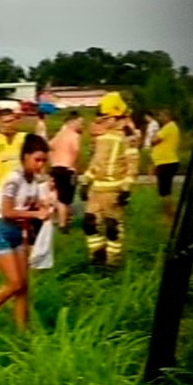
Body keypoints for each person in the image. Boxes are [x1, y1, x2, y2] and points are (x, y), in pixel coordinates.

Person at [0, 134, 52, 333]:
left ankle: (22, 332)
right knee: (15, 283)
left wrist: (42, 205)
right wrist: (36, 213)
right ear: (25, 157)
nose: (40, 165)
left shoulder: (34, 181)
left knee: (24, 287)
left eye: (44, 161)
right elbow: (8, 211)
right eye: (37, 160)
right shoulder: (13, 179)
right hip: (1, 232)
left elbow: (28, 204)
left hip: (20, 234)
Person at [79, 93, 140, 267]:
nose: (101, 122)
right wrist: (85, 181)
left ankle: (112, 263)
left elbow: (132, 166)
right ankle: (97, 256)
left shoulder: (128, 139)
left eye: (104, 119)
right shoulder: (102, 138)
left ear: (115, 117)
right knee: (89, 224)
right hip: (96, 191)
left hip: (114, 191)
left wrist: (126, 188)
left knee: (113, 228)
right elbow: (96, 163)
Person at [47, 112, 83, 232]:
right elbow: (76, 150)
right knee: (65, 199)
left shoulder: (58, 135)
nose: (81, 126)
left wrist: (52, 161)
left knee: (59, 196)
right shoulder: (74, 135)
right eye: (80, 123)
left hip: (55, 168)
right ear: (72, 122)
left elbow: (48, 147)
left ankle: (62, 220)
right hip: (67, 168)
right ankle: (63, 225)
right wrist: (73, 165)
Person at [149, 108, 181, 229]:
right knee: (165, 191)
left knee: (164, 192)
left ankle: (169, 217)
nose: (160, 118)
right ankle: (170, 213)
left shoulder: (168, 127)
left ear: (168, 116)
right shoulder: (172, 127)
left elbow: (154, 140)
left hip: (166, 162)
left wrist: (153, 137)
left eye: (162, 115)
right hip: (165, 162)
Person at [0, 110, 29, 191]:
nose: (8, 125)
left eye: (10, 121)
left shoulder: (26, 138)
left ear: (16, 121)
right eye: (4, 122)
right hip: (3, 188)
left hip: (23, 187)